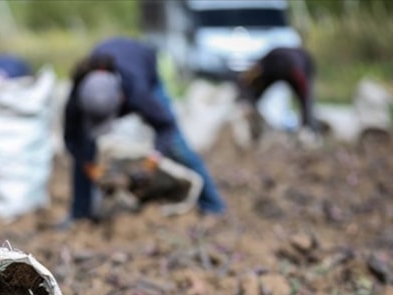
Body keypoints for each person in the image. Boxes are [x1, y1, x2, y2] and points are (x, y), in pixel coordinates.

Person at [62, 37, 225, 223]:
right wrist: (90, 167)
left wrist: (151, 162)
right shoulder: (79, 96)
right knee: (85, 149)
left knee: (178, 146)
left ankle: (214, 206)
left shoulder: (139, 93)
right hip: (114, 65)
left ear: (121, 99)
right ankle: (79, 214)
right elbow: (71, 138)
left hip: (146, 70)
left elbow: (165, 125)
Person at [237, 46, 319, 135]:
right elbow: (250, 77)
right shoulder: (269, 64)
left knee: (305, 100)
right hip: (279, 64)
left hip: (297, 65)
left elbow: (304, 89)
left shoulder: (295, 67)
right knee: (253, 93)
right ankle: (253, 123)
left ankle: (310, 128)